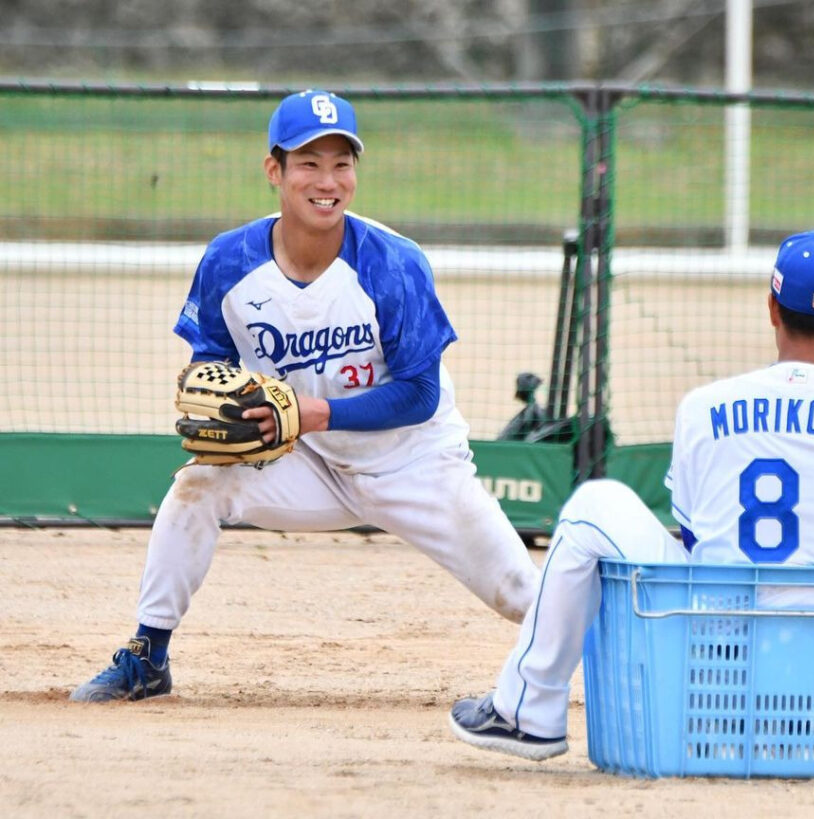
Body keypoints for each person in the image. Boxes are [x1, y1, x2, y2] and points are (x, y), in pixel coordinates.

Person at [448, 228, 814, 769]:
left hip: (722, 665)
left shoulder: (705, 407)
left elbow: (695, 536)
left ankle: (528, 713)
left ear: (772, 309)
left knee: (591, 507)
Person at [70, 89, 540, 702]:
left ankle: (623, 661)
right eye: (309, 163)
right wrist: (221, 405)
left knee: (523, 596)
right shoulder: (229, 260)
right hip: (309, 461)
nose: (328, 180)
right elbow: (211, 366)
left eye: (342, 163)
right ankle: (147, 655)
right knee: (198, 485)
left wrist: (313, 412)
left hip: (415, 463)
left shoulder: (392, 263)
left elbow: (422, 395)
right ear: (276, 171)